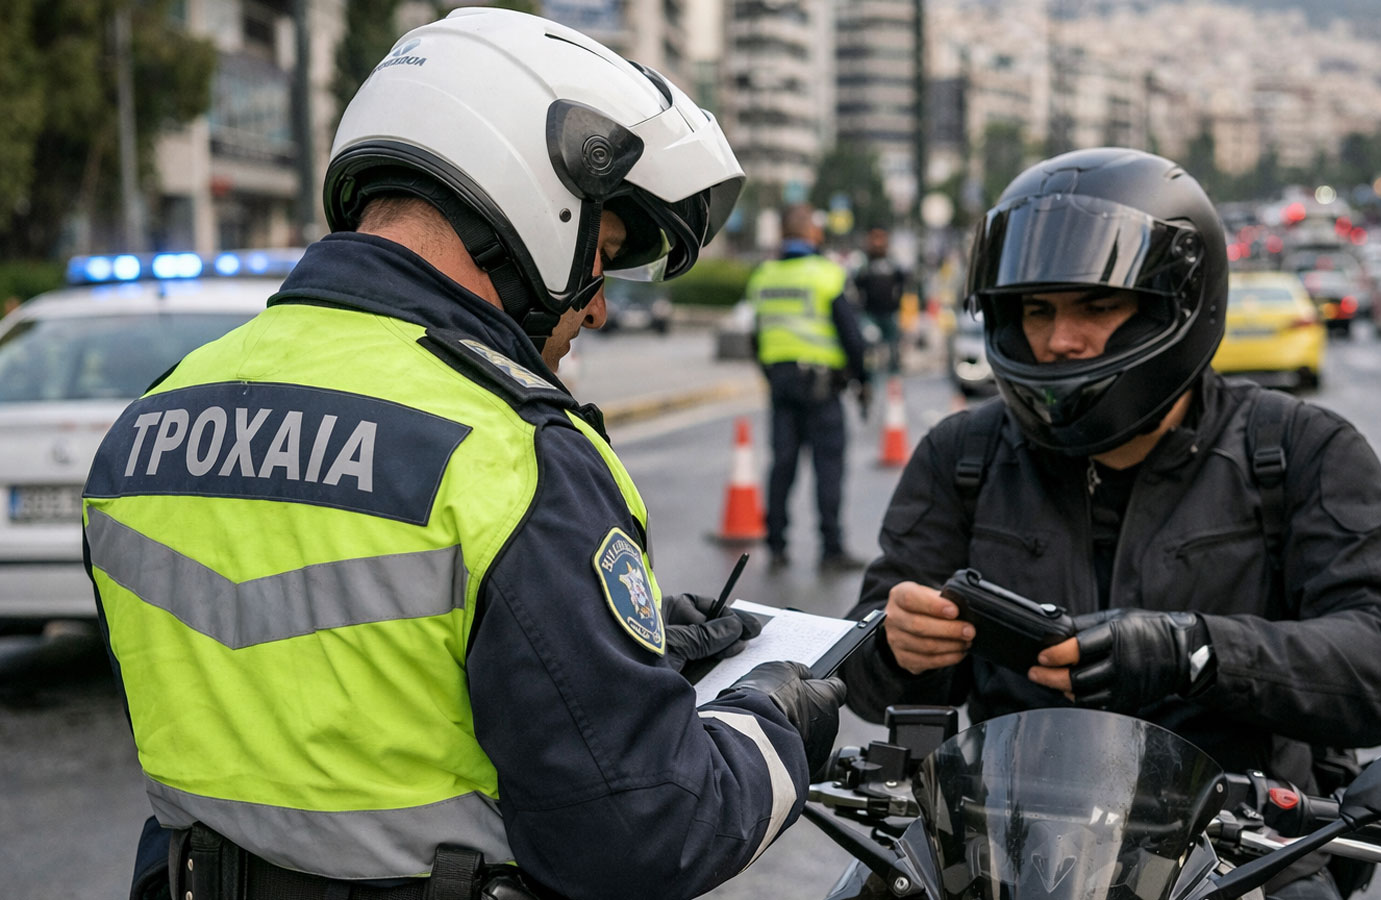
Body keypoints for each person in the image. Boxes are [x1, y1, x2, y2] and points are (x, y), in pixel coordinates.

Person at [83, 11, 844, 900]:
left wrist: (592, 644)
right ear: (529, 196)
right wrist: (771, 720)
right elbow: (645, 833)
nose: (594, 308)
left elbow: (301, 684)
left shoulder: (151, 420)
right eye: (597, 256)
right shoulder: (511, 453)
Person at [840, 148, 1381, 899]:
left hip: (1242, 855)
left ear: (1173, 305)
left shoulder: (1298, 451)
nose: (1060, 340)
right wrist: (899, 643)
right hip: (1002, 853)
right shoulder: (963, 455)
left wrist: (1191, 648)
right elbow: (858, 667)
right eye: (1036, 310)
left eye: (1095, 306)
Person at [749, 204, 871, 572]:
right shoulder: (827, 275)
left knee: (782, 465)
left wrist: (772, 373)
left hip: (781, 386)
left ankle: (776, 544)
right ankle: (831, 549)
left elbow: (756, 337)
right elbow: (851, 335)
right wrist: (863, 380)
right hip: (821, 387)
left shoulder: (763, 277)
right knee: (828, 466)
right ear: (812, 234)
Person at [851, 226, 909, 377]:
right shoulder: (863, 263)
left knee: (893, 354)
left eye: (881, 237)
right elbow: (855, 286)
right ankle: (869, 380)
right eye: (874, 238)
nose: (877, 242)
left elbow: (903, 283)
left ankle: (894, 386)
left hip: (890, 313)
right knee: (870, 349)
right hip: (869, 314)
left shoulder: (893, 262)